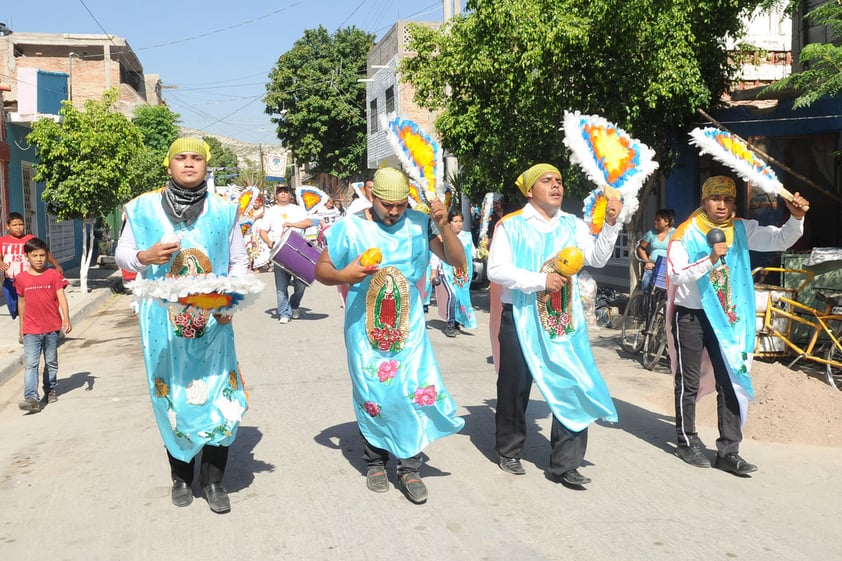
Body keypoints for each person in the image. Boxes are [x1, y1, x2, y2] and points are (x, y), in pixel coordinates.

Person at [314, 166, 466, 504]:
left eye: (400, 204)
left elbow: (457, 260)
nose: (395, 211)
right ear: (370, 193)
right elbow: (321, 270)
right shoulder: (349, 228)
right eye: (387, 204)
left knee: (412, 389)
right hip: (364, 325)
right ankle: (375, 461)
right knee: (374, 391)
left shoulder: (419, 222)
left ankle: (409, 466)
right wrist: (345, 273)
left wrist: (442, 223)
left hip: (408, 324)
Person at [116, 137, 250, 513]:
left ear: (206, 165)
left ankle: (213, 481)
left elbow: (238, 260)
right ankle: (180, 475)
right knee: (171, 396)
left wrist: (233, 300)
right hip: (163, 325)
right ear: (168, 164)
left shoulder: (224, 209)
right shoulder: (142, 207)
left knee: (218, 396)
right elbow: (122, 252)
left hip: (214, 321)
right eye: (181, 158)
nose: (189, 164)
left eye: (196, 158)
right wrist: (144, 255)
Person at [486, 163, 621, 487]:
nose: (556, 186)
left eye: (559, 180)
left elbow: (598, 258)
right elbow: (496, 270)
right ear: (530, 191)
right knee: (515, 387)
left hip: (562, 318)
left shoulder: (572, 225)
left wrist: (611, 224)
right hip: (519, 316)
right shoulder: (511, 225)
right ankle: (510, 450)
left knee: (572, 381)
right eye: (547, 181)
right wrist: (540, 280)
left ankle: (566, 463)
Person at [666, 176, 808, 476]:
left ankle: (728, 450)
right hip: (692, 315)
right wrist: (709, 259)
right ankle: (686, 440)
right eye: (715, 199)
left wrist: (796, 218)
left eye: (728, 199)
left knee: (731, 380)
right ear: (704, 201)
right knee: (688, 381)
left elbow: (780, 239)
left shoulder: (742, 229)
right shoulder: (686, 233)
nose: (722, 205)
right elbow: (677, 274)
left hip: (728, 319)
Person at [15, 237, 71, 413]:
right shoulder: (21, 278)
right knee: (31, 363)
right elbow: (21, 303)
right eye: (34, 255)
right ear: (27, 257)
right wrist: (21, 328)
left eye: (42, 255)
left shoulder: (53, 275)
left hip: (52, 327)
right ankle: (31, 397)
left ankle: (51, 388)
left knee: (51, 361)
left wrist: (66, 318)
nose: (39, 259)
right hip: (31, 329)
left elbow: (61, 296)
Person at [258, 185, 315, 323]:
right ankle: (284, 313)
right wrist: (269, 243)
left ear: (290, 195)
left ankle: (294, 304)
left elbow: (308, 222)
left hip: (298, 251)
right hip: (280, 251)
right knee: (281, 286)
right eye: (280, 192)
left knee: (301, 283)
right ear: (276, 196)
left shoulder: (297, 209)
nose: (283, 194)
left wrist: (292, 224)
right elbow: (263, 231)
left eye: (285, 192)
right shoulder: (271, 211)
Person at [1, 212, 64, 321]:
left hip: (28, 280)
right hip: (10, 281)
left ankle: (27, 331)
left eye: (21, 224)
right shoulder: (3, 241)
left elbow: (44, 252)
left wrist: (56, 265)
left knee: (28, 306)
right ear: (8, 226)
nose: (18, 228)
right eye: (15, 225)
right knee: (14, 308)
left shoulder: (30, 239)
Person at [432, 211, 477, 337]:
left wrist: (482, 251)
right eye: (455, 221)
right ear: (449, 223)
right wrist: (433, 273)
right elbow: (436, 255)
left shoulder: (467, 236)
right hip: (447, 272)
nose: (458, 224)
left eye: (460, 221)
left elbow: (472, 252)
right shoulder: (444, 237)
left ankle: (458, 321)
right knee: (452, 296)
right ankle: (450, 324)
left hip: (463, 274)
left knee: (461, 298)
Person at [636, 208, 675, 288]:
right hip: (652, 265)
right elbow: (641, 248)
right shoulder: (651, 233)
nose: (655, 222)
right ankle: (644, 299)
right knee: (645, 284)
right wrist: (647, 261)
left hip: (668, 267)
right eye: (655, 220)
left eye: (658, 220)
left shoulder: (675, 233)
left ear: (666, 222)